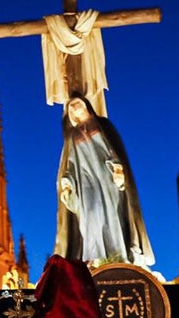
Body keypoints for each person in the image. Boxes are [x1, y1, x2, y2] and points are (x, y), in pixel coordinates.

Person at [54, 95, 154, 267]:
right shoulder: (72, 135)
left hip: (106, 178)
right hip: (86, 183)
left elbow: (112, 149)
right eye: (70, 108)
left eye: (76, 104)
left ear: (86, 105)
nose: (73, 109)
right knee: (91, 217)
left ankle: (118, 256)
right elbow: (69, 163)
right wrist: (67, 184)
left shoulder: (102, 125)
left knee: (112, 214)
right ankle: (96, 258)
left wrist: (117, 168)